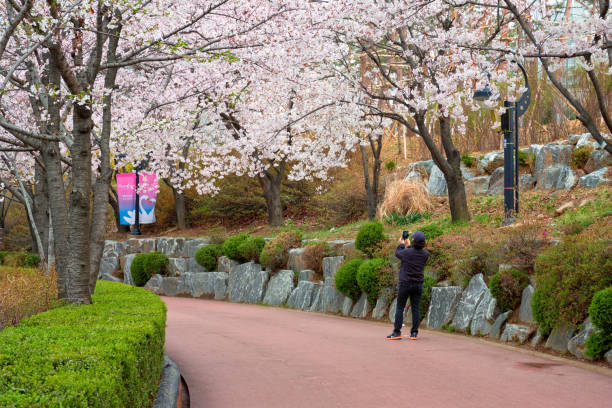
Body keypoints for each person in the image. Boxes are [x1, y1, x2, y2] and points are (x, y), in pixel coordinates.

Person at [387, 231, 429, 340]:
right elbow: (414, 253)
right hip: (418, 285)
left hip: (405, 283)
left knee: (400, 308)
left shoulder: (406, 253)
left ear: (413, 240)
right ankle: (414, 333)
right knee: (415, 308)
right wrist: (409, 246)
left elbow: (398, 253)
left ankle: (397, 332)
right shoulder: (425, 254)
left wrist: (401, 244)